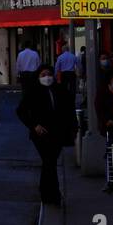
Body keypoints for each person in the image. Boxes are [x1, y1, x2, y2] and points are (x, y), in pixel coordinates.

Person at [16, 64, 78, 205]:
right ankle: (53, 195)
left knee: (49, 163)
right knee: (49, 162)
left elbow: (69, 110)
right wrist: (34, 125)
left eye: (49, 74)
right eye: (43, 75)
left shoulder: (61, 91)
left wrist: (72, 128)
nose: (47, 77)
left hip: (57, 133)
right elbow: (21, 111)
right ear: (38, 77)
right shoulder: (33, 92)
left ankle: (46, 192)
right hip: (41, 134)